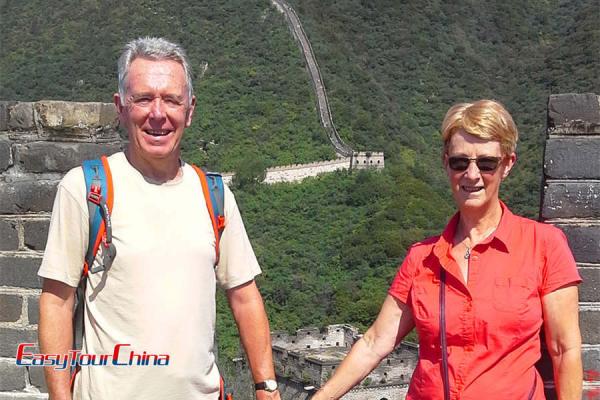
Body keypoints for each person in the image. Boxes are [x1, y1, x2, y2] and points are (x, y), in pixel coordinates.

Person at [38, 37, 281, 400]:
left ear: (190, 109)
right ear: (121, 107)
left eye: (171, 99)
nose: (158, 113)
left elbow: (245, 296)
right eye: (143, 99)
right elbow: (56, 301)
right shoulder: (86, 190)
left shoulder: (213, 195)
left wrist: (266, 387)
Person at [312, 100, 582, 399]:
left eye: (487, 163)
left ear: (507, 165)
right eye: (460, 162)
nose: (472, 174)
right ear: (446, 163)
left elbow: (564, 349)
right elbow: (376, 342)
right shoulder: (421, 258)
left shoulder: (543, 245)